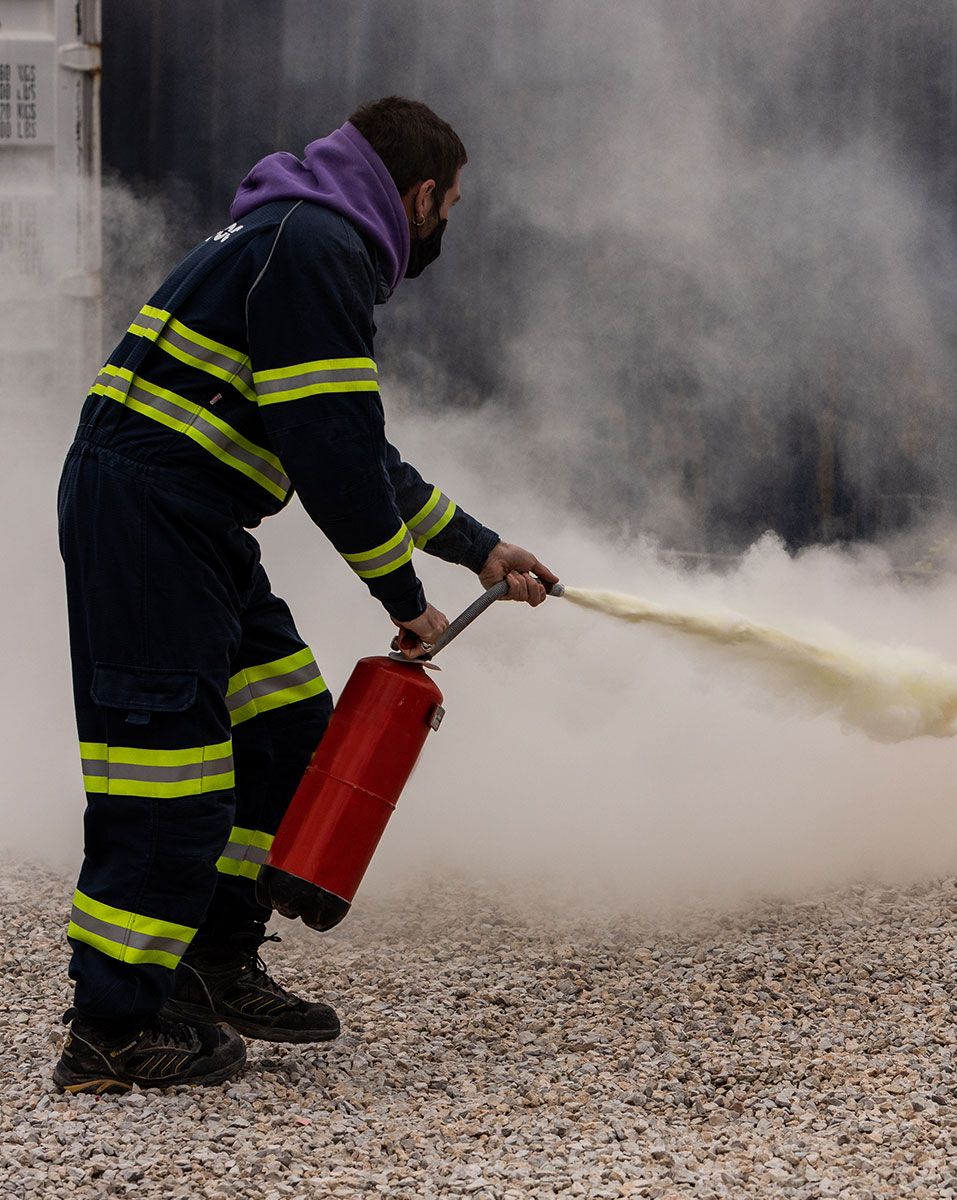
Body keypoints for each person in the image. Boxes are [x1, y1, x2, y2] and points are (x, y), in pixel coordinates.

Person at [52, 96, 556, 1093]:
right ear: (418, 195)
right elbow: (328, 456)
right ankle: (111, 1030)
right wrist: (403, 597)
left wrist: (481, 549)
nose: (444, 227)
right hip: (151, 524)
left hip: (194, 526)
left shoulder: (302, 233)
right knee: (168, 783)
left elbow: (354, 447)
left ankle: (210, 962)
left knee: (286, 730)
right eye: (448, 206)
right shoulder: (318, 247)